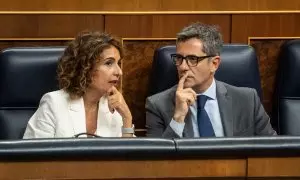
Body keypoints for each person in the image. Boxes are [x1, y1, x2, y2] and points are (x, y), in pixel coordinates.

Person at [145, 22, 276, 138]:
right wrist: (178, 117)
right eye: (179, 58)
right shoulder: (158, 105)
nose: (183, 67)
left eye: (192, 59)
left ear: (214, 64)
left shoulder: (247, 100)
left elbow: (273, 150)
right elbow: (156, 161)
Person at [23, 31, 134, 138]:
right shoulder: (54, 104)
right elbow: (33, 155)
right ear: (85, 67)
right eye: (108, 63)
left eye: (118, 63)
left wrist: (127, 118)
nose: (119, 72)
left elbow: (129, 156)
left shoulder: (114, 106)